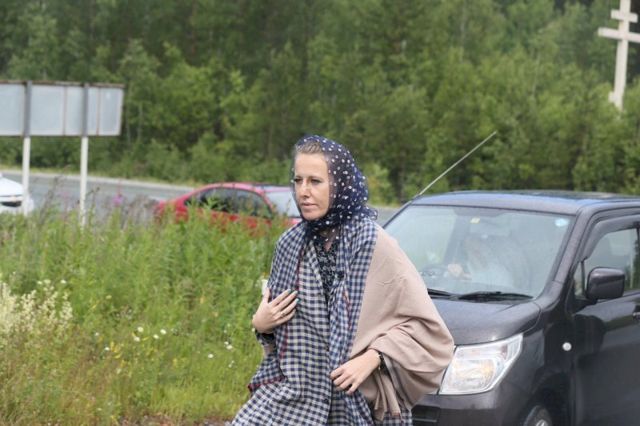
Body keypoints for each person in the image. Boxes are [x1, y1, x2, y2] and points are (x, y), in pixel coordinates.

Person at [232, 135, 454, 425]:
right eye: (298, 180)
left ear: (340, 184)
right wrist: (262, 325)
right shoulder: (289, 245)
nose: (303, 191)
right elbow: (279, 340)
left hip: (355, 403)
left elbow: (427, 332)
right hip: (293, 399)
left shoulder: (374, 244)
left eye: (315, 181)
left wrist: (373, 357)